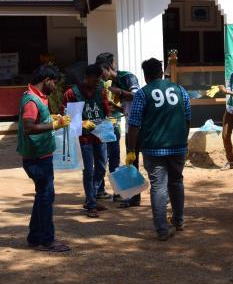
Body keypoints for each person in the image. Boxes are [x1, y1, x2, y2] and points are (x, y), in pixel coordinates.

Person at [125, 58, 191, 241]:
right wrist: (183, 140)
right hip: (177, 146)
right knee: (177, 182)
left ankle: (162, 229)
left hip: (153, 148)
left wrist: (131, 149)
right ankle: (178, 221)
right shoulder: (180, 90)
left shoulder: (142, 94)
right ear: (162, 72)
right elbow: (187, 118)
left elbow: (134, 124)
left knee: (159, 186)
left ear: (145, 76)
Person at [18, 65, 71, 252]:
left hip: (40, 155)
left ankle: (35, 237)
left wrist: (52, 118)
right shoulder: (31, 100)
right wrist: (55, 125)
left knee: (43, 196)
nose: (55, 87)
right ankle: (48, 240)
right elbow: (29, 127)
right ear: (47, 79)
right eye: (54, 83)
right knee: (46, 196)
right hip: (37, 158)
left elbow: (40, 120)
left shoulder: (39, 98)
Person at [62, 63, 112, 218]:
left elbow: (105, 109)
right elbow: (66, 115)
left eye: (99, 79)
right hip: (84, 138)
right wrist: (79, 123)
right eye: (94, 79)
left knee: (102, 166)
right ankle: (90, 203)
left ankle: (93, 195)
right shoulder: (72, 93)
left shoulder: (101, 90)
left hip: (100, 135)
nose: (97, 82)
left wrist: (110, 119)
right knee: (88, 171)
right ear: (86, 77)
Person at [97, 55, 141, 206]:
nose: (101, 76)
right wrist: (114, 107)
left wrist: (119, 92)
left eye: (101, 72)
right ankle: (134, 197)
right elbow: (126, 105)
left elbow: (136, 96)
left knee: (148, 161)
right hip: (130, 124)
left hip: (140, 125)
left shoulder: (128, 78)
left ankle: (164, 194)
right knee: (132, 159)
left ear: (108, 68)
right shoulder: (112, 82)